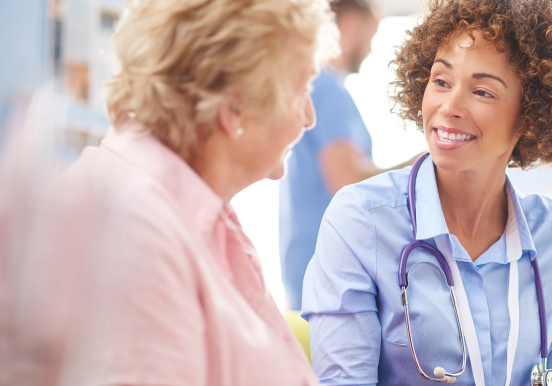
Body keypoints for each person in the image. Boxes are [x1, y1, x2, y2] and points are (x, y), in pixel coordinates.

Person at [1, 0, 337, 384]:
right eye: (300, 90)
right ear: (235, 108)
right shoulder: (136, 227)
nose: (309, 116)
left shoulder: (191, 212)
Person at [301, 0, 552, 385]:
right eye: (441, 81)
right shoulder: (361, 220)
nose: (449, 106)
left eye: (481, 91)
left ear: (531, 115)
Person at [280, 0, 418, 311]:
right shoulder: (329, 91)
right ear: (353, 26)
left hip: (306, 273)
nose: (370, 49)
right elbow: (346, 181)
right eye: (372, 35)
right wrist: (414, 168)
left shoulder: (315, 87)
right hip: (327, 281)